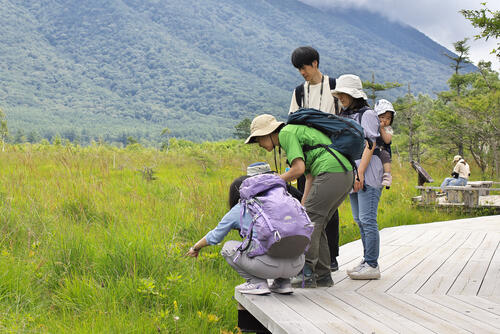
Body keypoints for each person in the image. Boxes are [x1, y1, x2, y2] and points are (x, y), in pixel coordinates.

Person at [245, 114, 353, 288]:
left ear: (268, 133)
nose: (259, 144)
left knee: (309, 223)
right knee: (316, 221)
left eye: (258, 140)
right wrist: (302, 206)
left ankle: (306, 272)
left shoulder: (286, 134)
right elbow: (308, 176)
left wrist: (270, 182)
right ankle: (323, 275)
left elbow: (297, 169)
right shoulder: (293, 133)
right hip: (343, 173)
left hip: (332, 172)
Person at [185, 175, 305, 295]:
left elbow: (215, 236)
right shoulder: (281, 203)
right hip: (297, 264)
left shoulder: (241, 207)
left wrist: (195, 247)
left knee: (228, 247)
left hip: (268, 266)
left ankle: (257, 283)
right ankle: (283, 283)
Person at [289, 46, 342, 271]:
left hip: (331, 156)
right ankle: (310, 259)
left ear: (315, 63)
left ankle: (332, 256)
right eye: (298, 68)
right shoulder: (299, 92)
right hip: (307, 158)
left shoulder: (334, 87)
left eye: (304, 67)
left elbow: (344, 121)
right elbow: (292, 123)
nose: (302, 72)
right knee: (307, 206)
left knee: (329, 208)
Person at [333, 74, 383, 280]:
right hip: (352, 172)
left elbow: (369, 145)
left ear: (355, 94)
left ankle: (372, 264)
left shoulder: (367, 114)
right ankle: (366, 260)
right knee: (359, 219)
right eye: (339, 94)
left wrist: (360, 172)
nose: (341, 97)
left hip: (367, 172)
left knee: (367, 219)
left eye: (344, 93)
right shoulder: (345, 115)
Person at [374, 99, 396, 188]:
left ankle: (387, 175)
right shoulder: (372, 125)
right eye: (382, 117)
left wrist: (382, 129)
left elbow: (387, 140)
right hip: (372, 150)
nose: (385, 120)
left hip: (383, 150)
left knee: (385, 156)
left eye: (388, 118)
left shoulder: (388, 129)